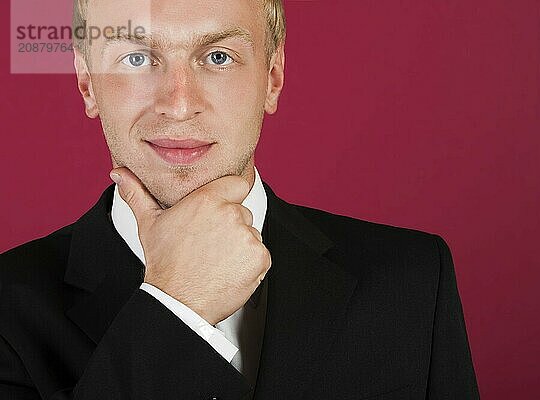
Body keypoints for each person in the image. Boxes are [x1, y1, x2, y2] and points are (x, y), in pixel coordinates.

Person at [0, 0, 479, 398]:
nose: (180, 103)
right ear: (87, 82)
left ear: (272, 77)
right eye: (137, 58)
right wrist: (176, 308)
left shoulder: (414, 279)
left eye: (218, 57)